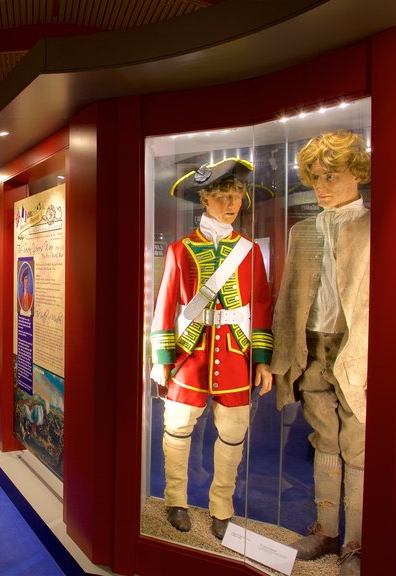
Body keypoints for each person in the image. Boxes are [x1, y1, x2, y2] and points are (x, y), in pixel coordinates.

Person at [150, 158, 274, 539]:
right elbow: (164, 307)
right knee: (177, 430)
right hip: (190, 356)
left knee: (233, 434)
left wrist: (263, 361)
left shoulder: (250, 251)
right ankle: (176, 499)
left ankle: (222, 506)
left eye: (236, 195)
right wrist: (161, 360)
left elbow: (263, 307)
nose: (231, 203)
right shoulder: (180, 250)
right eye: (222, 196)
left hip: (235, 356)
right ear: (204, 199)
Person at [268, 130, 371, 575]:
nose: (323, 187)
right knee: (324, 437)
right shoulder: (302, 231)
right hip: (311, 346)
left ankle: (358, 542)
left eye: (331, 176)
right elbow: (289, 297)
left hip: (358, 347)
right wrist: (279, 357)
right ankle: (327, 529)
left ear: (357, 175)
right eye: (315, 180)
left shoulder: (377, 226)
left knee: (360, 445)